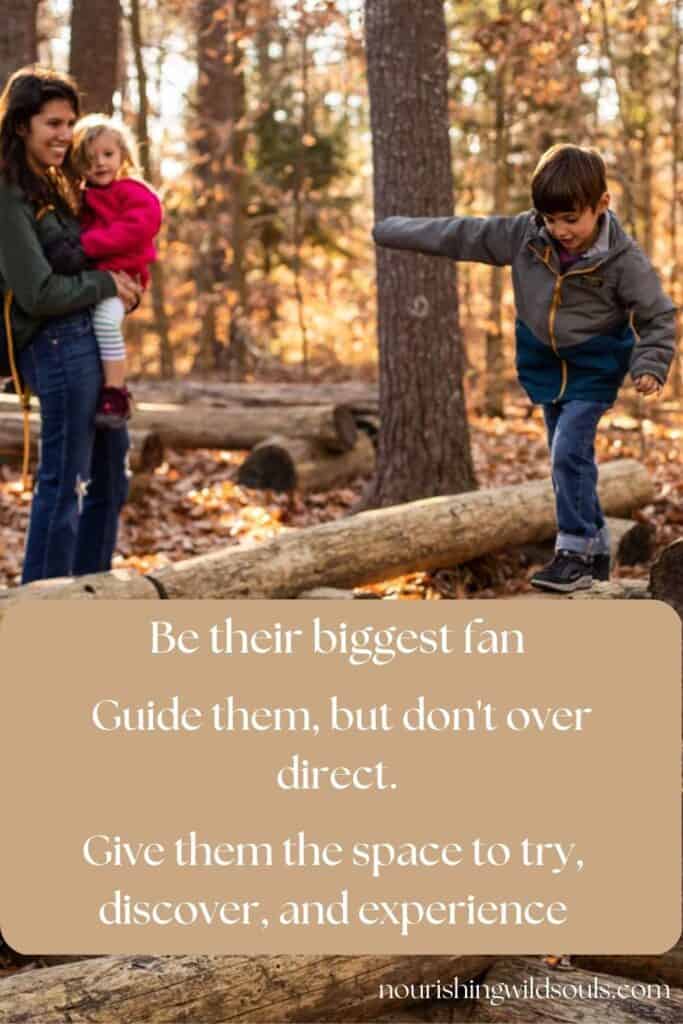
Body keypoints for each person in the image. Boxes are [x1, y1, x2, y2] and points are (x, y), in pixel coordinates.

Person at [373, 144, 675, 592]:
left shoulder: (623, 260)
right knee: (572, 461)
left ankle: (571, 552)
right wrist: (392, 230)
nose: (560, 230)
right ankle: (595, 550)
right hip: (545, 367)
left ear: (601, 206)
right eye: (551, 219)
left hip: (593, 368)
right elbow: (461, 235)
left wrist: (650, 363)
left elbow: (658, 316)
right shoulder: (526, 235)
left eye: (571, 219)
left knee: (567, 452)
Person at [0, 67, 141, 584]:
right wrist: (107, 285)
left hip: (90, 343)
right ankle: (42, 611)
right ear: (21, 126)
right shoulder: (9, 194)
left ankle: (91, 594)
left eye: (69, 122)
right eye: (52, 123)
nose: (65, 134)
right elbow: (37, 292)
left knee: (109, 480)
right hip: (55, 349)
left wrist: (126, 283)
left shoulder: (58, 184)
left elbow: (92, 257)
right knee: (65, 485)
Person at [70, 113, 162, 428]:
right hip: (97, 279)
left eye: (108, 154)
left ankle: (115, 392)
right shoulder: (81, 198)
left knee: (105, 322)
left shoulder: (134, 192)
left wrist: (86, 245)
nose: (100, 164)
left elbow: (134, 230)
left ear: (122, 154)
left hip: (125, 277)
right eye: (89, 158)